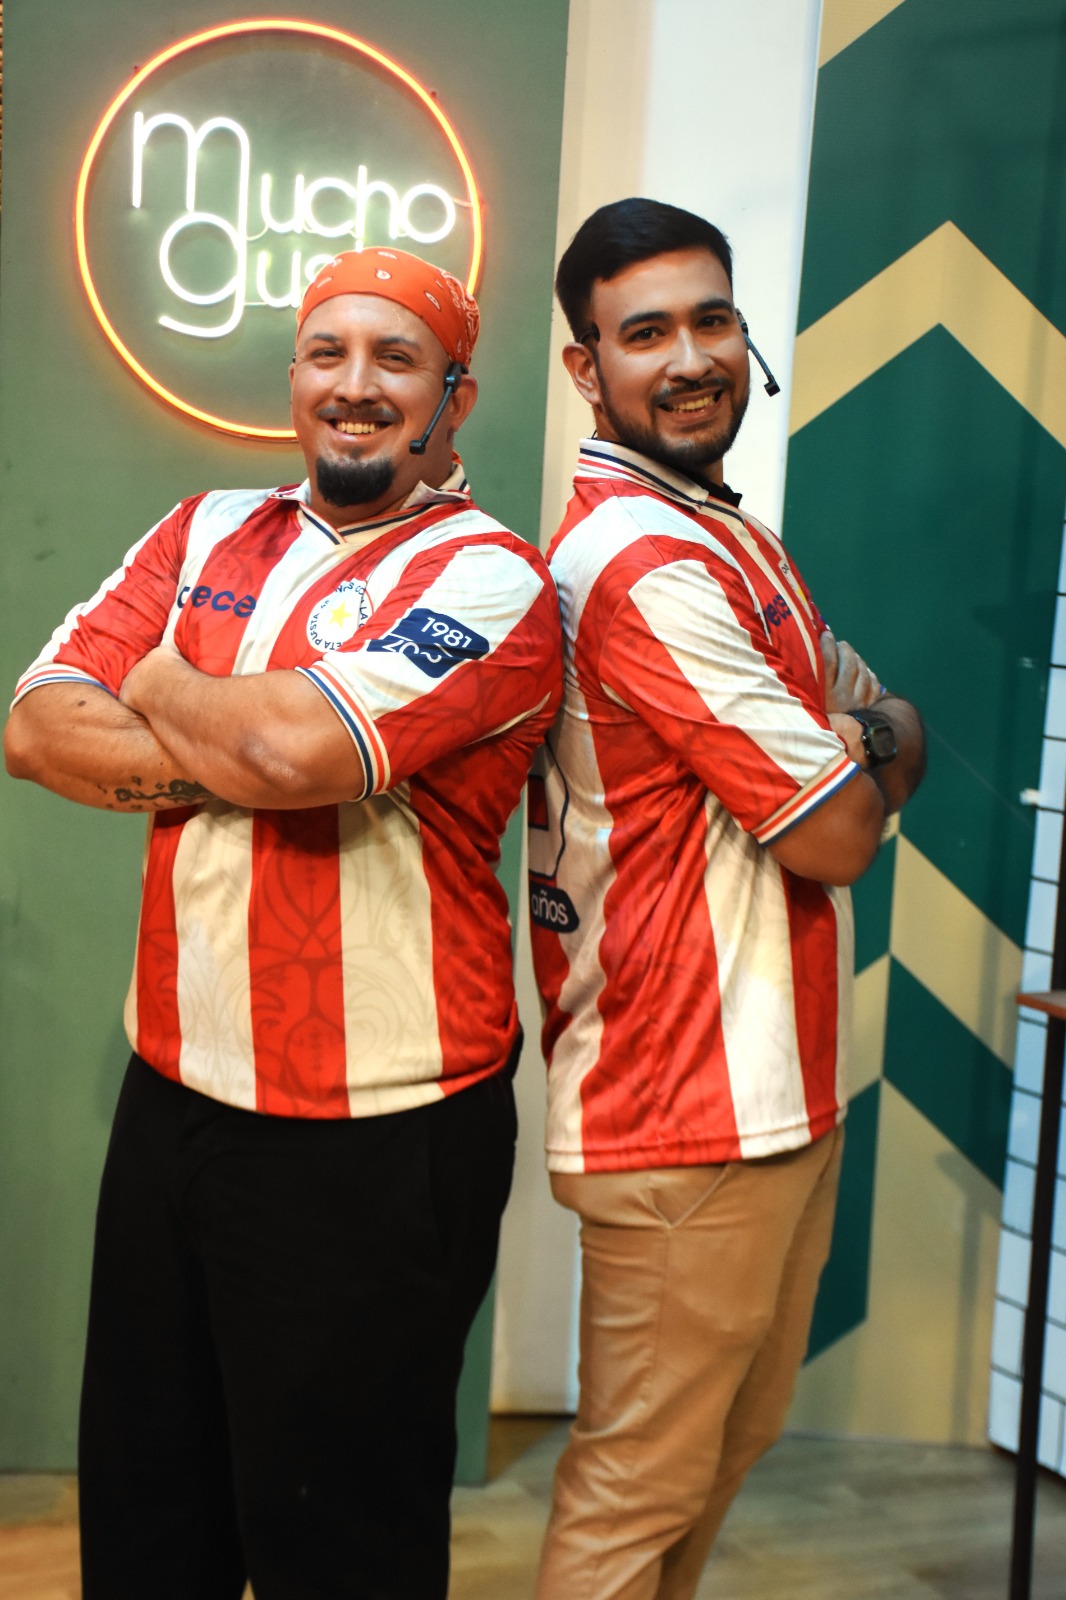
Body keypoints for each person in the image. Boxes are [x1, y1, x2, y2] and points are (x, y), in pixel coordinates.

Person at [4, 247, 562, 1600]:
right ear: (295, 376)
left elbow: (297, 752)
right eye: (328, 353)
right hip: (172, 1095)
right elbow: (35, 729)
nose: (354, 386)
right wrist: (242, 742)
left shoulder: (493, 579)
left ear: (454, 395)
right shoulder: (203, 530)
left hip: (376, 1133)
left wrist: (158, 677)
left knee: (338, 1545)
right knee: (147, 1520)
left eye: (395, 359)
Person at [527, 198, 925, 1600]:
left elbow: (891, 720)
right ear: (586, 367)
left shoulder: (727, 534)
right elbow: (839, 833)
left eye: (711, 319)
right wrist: (856, 746)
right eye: (645, 333)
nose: (691, 358)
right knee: (635, 1488)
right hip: (678, 1096)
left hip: (775, 1085)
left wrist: (852, 740)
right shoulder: (639, 565)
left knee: (718, 1455)